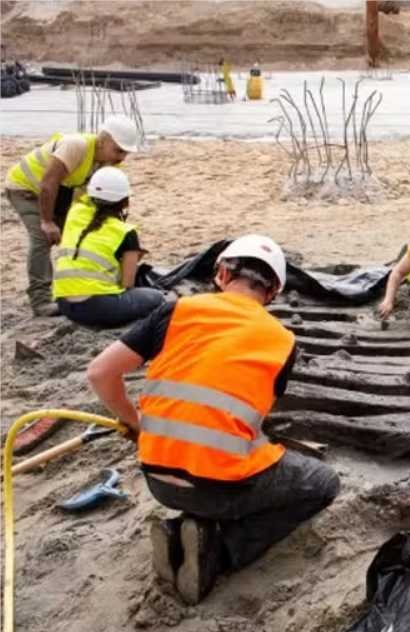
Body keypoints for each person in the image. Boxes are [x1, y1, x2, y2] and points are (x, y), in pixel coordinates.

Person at [86, 235, 340, 604]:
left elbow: (100, 373)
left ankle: (188, 530)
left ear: (221, 272)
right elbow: (255, 413)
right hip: (221, 488)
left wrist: (137, 423)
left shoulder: (177, 311)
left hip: (157, 478)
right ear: (273, 293)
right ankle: (219, 551)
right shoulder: (282, 341)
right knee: (322, 483)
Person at [5, 115, 139, 317]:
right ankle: (40, 301)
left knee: (72, 233)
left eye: (126, 152)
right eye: (118, 150)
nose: (122, 157)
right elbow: (48, 183)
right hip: (25, 188)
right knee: (43, 238)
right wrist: (48, 222)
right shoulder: (76, 146)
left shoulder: (109, 162)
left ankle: (73, 287)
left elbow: (93, 199)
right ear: (102, 140)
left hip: (60, 192)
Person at [52, 167, 166, 328]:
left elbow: (84, 199)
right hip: (99, 308)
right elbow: (128, 284)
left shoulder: (75, 212)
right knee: (157, 297)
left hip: (65, 304)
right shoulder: (125, 231)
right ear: (125, 200)